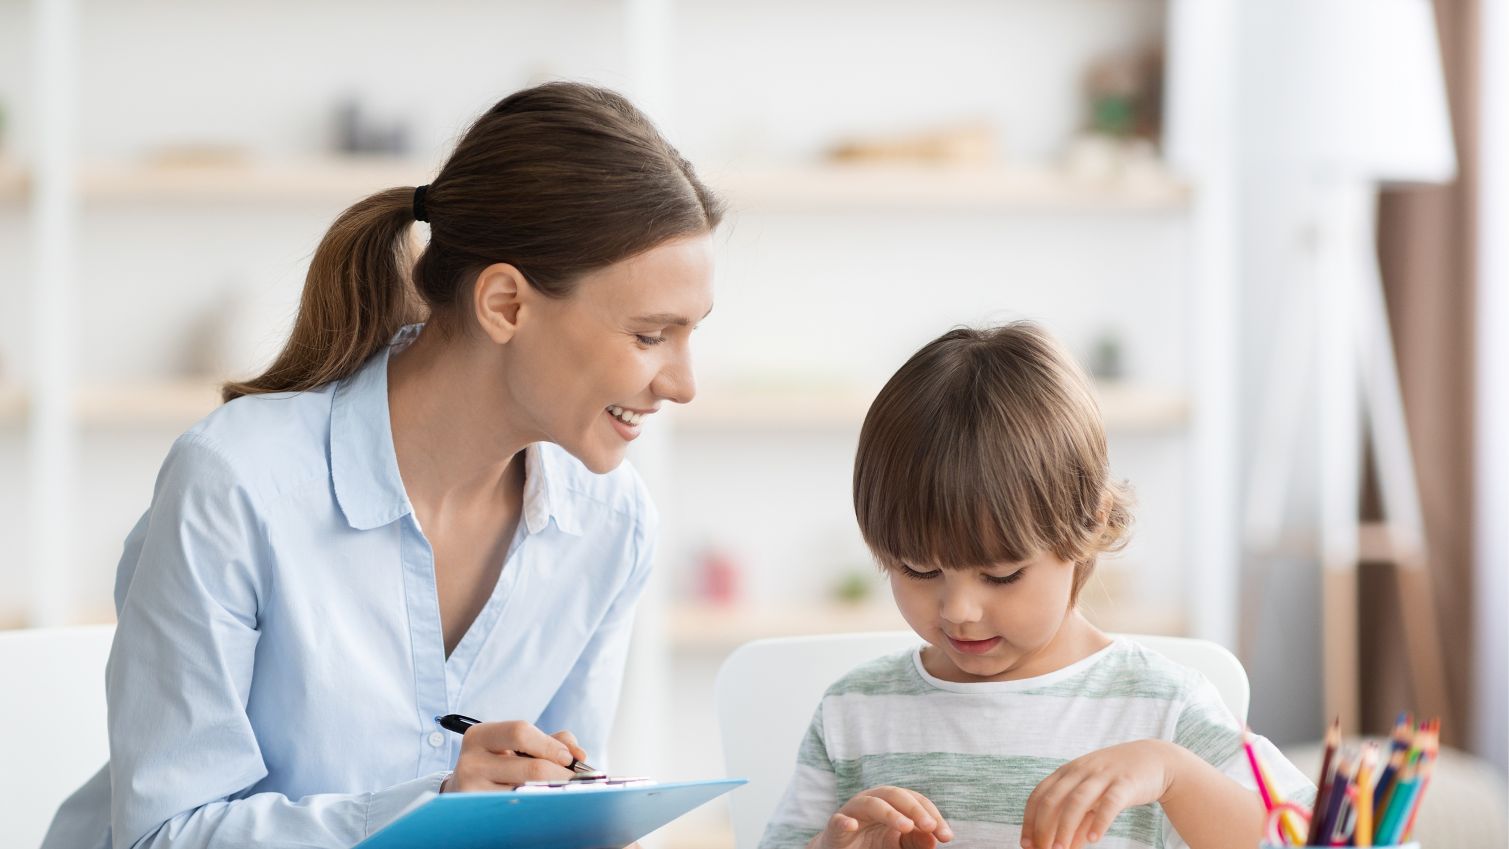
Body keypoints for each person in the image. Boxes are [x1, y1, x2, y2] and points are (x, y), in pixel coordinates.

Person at [42, 81, 722, 849]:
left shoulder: (610, 522)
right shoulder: (237, 483)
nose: (682, 383)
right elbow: (163, 834)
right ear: (505, 303)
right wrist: (432, 810)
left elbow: (560, 823)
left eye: (689, 334)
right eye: (648, 335)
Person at [759, 323, 1313, 849]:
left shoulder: (1163, 708)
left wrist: (1174, 776)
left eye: (1000, 575)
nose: (961, 611)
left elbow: (1311, 840)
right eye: (919, 572)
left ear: (1089, 525)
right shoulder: (855, 710)